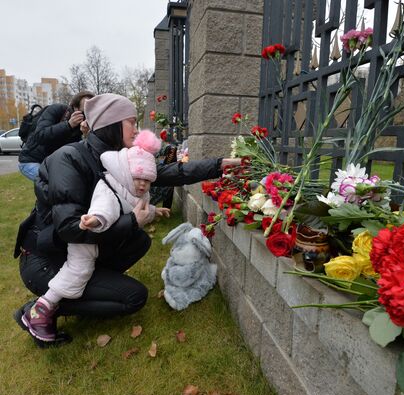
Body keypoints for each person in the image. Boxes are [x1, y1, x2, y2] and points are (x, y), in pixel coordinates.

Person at [13, 93, 240, 347]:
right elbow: (69, 229)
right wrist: (131, 220)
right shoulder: (69, 158)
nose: (137, 129)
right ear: (111, 123)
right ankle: (40, 308)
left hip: (78, 252)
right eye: (131, 121)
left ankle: (78, 289)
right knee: (134, 297)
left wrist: (220, 166)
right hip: (44, 259)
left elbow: (168, 171)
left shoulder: (120, 158)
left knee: (138, 241)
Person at [21, 129, 170, 342]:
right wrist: (95, 219)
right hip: (85, 240)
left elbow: (138, 204)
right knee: (77, 272)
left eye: (147, 180)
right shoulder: (109, 186)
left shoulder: (132, 189)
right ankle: (40, 309)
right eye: (138, 178)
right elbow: (104, 207)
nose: (142, 184)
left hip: (96, 240)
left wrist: (156, 211)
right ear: (128, 174)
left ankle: (55, 303)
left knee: (130, 246)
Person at [18, 90, 94, 181]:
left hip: (52, 163)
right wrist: (68, 125)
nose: (87, 116)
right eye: (85, 111)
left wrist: (87, 135)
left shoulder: (85, 125)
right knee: (54, 184)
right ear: (75, 108)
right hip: (31, 160)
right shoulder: (56, 110)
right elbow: (40, 135)